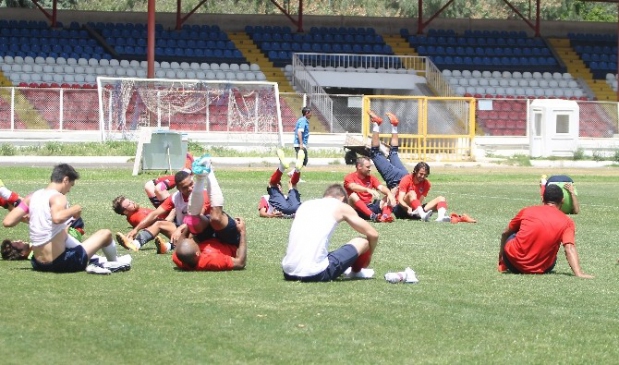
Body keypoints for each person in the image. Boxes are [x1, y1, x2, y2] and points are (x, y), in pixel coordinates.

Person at [25, 163, 131, 273]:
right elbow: (57, 218)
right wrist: (75, 209)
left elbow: (8, 221)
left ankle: (96, 260)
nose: (69, 190)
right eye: (71, 185)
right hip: (60, 263)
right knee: (106, 234)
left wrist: (31, 218)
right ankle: (113, 263)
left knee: (63, 233)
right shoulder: (58, 197)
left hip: (38, 263)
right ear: (66, 180)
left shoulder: (34, 196)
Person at [282, 183, 379, 282]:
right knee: (362, 242)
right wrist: (367, 256)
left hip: (288, 272)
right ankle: (356, 272)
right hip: (314, 273)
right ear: (342, 198)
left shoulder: (305, 205)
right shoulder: (340, 206)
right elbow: (373, 234)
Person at [367, 111, 452, 222]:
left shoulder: (421, 182)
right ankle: (394, 126)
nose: (422, 177)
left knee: (376, 153)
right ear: (415, 172)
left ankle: (376, 124)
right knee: (393, 153)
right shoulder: (412, 180)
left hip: (396, 179)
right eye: (421, 174)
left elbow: (409, 198)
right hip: (402, 176)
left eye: (424, 175)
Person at [498, 184, 593, 278]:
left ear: (543, 199)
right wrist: (579, 273)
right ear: (562, 201)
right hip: (541, 269)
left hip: (513, 264)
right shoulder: (567, 221)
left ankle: (503, 265)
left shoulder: (527, 211)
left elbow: (505, 233)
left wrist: (501, 259)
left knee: (513, 233)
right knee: (553, 253)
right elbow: (569, 248)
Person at [173, 155, 245, 270]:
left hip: (206, 234)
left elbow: (179, 249)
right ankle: (209, 169)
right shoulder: (210, 261)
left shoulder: (181, 258)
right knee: (215, 218)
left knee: (192, 221)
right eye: (194, 242)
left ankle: (201, 178)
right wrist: (242, 232)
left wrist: (189, 228)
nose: (193, 239)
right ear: (198, 253)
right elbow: (240, 263)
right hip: (228, 240)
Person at [127, 168, 211, 251]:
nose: (190, 188)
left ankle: (169, 246)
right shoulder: (175, 197)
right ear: (178, 188)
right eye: (185, 187)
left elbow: (197, 218)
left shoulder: (202, 194)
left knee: (191, 232)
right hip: (182, 229)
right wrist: (136, 229)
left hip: (200, 232)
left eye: (191, 184)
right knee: (159, 224)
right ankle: (135, 244)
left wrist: (179, 229)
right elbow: (155, 214)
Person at [112, 196, 177, 254]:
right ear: (125, 212)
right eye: (129, 204)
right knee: (159, 224)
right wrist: (175, 209)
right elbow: (157, 222)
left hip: (180, 229)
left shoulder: (137, 212)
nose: (132, 202)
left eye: (130, 201)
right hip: (179, 230)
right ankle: (134, 244)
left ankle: (167, 246)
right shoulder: (136, 217)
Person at [343, 156, 396, 222]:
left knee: (388, 196)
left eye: (370, 167)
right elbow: (353, 186)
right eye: (367, 167)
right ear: (359, 166)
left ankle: (384, 217)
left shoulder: (371, 178)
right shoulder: (349, 177)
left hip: (369, 207)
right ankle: (373, 216)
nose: (370, 169)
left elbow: (381, 187)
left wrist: (389, 193)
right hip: (355, 211)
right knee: (353, 196)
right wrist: (367, 189)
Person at [258, 149, 302, 218]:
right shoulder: (266, 198)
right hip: (295, 209)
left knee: (291, 185)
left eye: (279, 185)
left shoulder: (286, 197)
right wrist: (271, 215)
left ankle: (285, 167)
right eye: (277, 185)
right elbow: (262, 213)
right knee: (292, 185)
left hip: (292, 210)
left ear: (281, 188)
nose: (278, 186)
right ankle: (297, 170)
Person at [292, 106, 311, 170]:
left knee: (302, 161)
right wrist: (301, 144)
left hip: (301, 144)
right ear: (307, 113)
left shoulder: (302, 120)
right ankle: (293, 174)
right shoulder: (303, 121)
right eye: (310, 113)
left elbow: (296, 129)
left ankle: (293, 174)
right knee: (302, 161)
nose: (311, 115)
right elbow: (299, 132)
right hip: (299, 144)